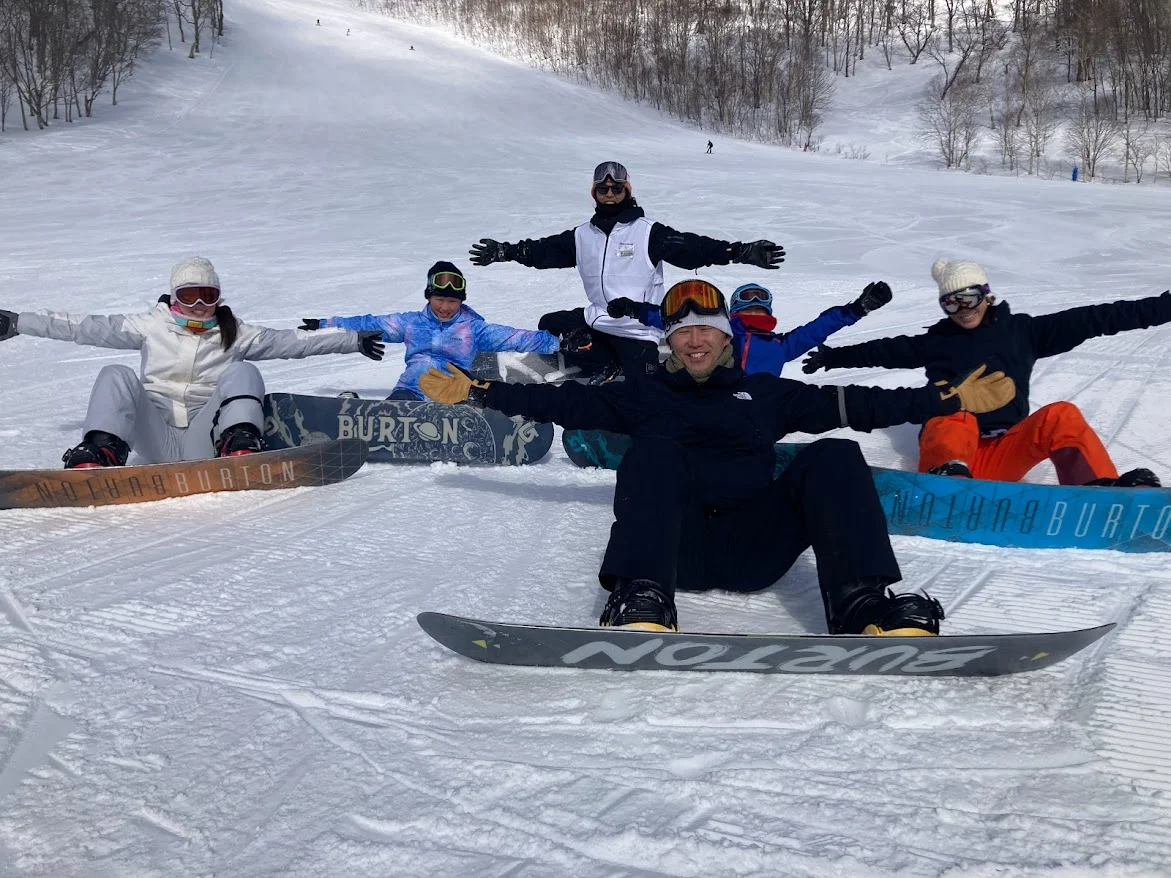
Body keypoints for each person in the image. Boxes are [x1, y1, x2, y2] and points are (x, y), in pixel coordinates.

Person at [417, 279, 1016, 636]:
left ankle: (862, 604)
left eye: (707, 328)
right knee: (653, 452)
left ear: (728, 336)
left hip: (756, 548)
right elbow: (565, 400)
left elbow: (854, 403)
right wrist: (480, 390)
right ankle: (641, 596)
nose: (696, 339)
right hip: (673, 554)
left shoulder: (767, 394)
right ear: (670, 340)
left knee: (834, 453)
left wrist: (946, 396)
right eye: (682, 331)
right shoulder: (643, 394)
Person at [802, 257, 1171, 486]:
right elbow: (884, 350)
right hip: (948, 457)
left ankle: (1098, 489)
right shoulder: (937, 341)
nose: (962, 309)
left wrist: (1163, 307)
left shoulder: (1024, 331)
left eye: (969, 297)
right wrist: (834, 357)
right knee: (953, 413)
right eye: (951, 302)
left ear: (986, 295)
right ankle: (947, 481)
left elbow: (1102, 318)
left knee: (1062, 415)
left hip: (1004, 451)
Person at [0, 256, 383, 468]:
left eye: (207, 296)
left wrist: (352, 340)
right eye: (189, 296)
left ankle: (240, 446)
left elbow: (293, 342)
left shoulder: (237, 333)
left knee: (243, 371)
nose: (199, 305)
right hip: (156, 435)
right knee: (115, 374)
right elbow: (83, 327)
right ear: (173, 297)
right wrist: (19, 322)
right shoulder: (150, 326)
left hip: (206, 437)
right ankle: (100, 452)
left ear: (218, 297)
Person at [468, 161, 784, 382]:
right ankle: (603, 359)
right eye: (602, 190)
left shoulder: (648, 232)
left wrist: (739, 251)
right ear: (594, 194)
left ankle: (614, 367)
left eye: (615, 188)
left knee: (644, 388)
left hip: (637, 329)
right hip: (598, 319)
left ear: (626, 191)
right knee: (550, 324)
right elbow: (542, 250)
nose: (609, 194)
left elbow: (692, 248)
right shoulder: (583, 235)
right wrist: (505, 251)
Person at [300, 261, 591, 401]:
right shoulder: (411, 322)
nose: (445, 306)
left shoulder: (472, 328)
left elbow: (517, 337)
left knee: (455, 389)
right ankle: (380, 417)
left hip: (454, 390)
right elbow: (369, 323)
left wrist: (561, 342)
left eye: (452, 301)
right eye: (440, 299)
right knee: (412, 385)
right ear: (429, 296)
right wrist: (328, 325)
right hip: (410, 391)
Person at [608, 279, 892, 376]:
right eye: (747, 297)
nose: (755, 302)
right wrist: (635, 309)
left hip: (758, 412)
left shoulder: (781, 346)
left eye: (760, 298)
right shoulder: (722, 333)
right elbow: (669, 318)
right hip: (712, 403)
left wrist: (856, 309)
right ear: (733, 308)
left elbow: (817, 329)